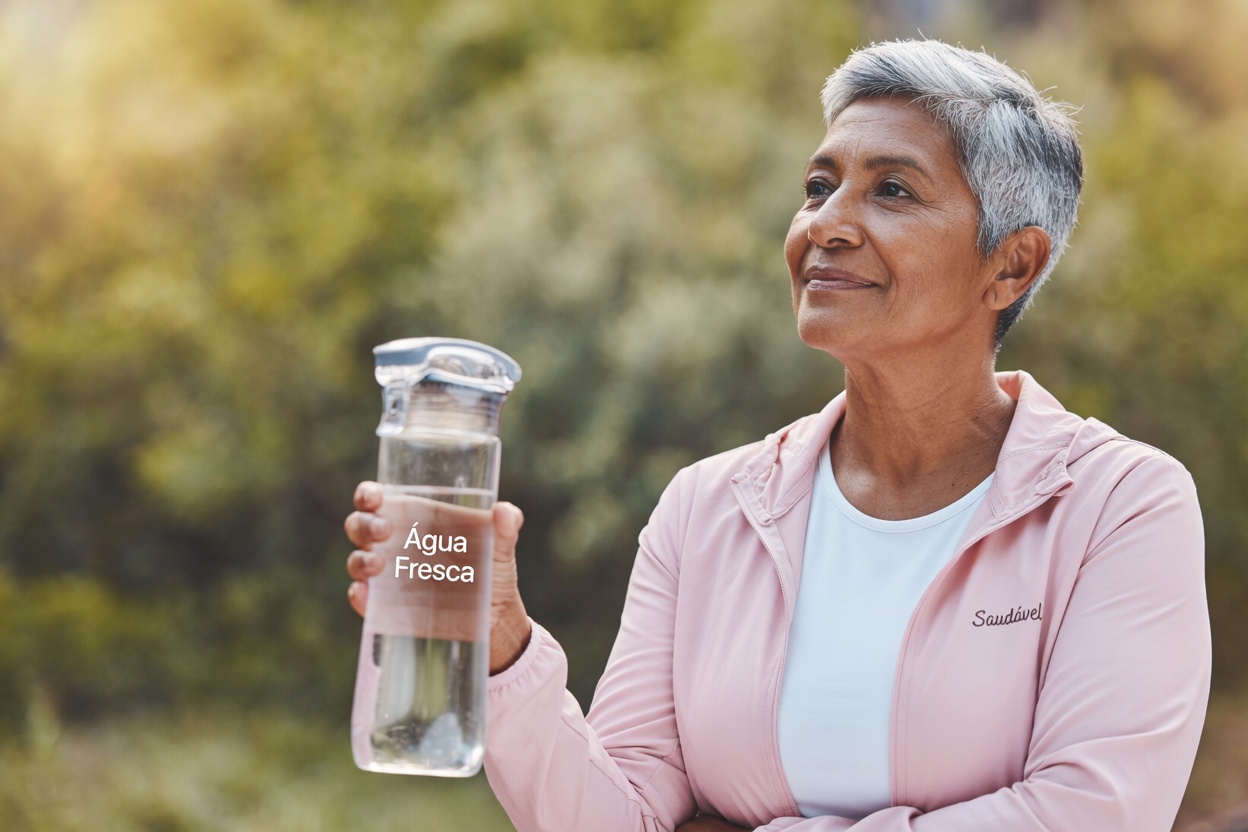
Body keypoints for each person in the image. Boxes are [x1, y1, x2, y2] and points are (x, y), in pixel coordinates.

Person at [344, 39, 1209, 831]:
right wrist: (505, 650)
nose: (826, 223)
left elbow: (1093, 814)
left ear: (1010, 264)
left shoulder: (1119, 504)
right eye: (818, 185)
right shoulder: (708, 507)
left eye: (893, 190)